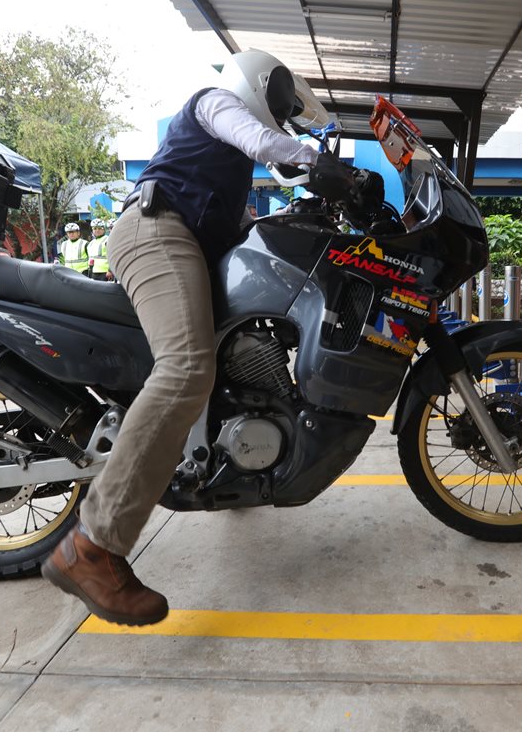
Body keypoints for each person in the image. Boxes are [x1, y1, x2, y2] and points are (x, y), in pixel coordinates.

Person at [41, 49, 377, 626]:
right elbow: (267, 144)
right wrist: (333, 169)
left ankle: (226, 467)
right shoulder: (216, 104)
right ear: (260, 83)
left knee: (229, 355)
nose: (283, 114)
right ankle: (90, 548)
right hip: (154, 230)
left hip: (181, 236)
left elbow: (248, 195)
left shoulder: (226, 160)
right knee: (188, 368)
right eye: (281, 101)